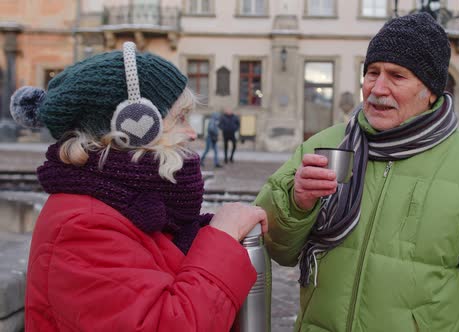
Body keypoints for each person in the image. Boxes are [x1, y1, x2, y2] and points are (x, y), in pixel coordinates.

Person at [255, 13, 459, 332]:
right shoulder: (323, 146)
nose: (377, 88)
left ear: (430, 90)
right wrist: (297, 202)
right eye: (372, 72)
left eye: (397, 76)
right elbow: (276, 247)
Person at [10, 42, 267, 331]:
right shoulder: (83, 226)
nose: (193, 133)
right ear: (134, 127)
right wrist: (222, 236)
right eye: (180, 117)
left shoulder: (130, 202)